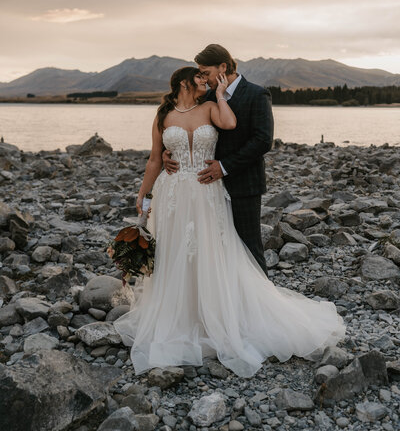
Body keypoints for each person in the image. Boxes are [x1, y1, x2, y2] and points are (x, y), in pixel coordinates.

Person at [113, 66, 346, 378]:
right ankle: (180, 316)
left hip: (207, 191)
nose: (205, 83)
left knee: (211, 249)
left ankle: (216, 316)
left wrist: (221, 95)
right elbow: (155, 159)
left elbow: (231, 123)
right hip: (173, 194)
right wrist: (143, 195)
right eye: (200, 79)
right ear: (184, 82)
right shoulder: (163, 113)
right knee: (174, 253)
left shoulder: (211, 106)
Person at [164, 44, 273, 276]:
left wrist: (224, 167)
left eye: (206, 72)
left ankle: (257, 304)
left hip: (243, 183)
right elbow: (190, 127)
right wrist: (170, 152)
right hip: (207, 188)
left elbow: (263, 140)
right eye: (200, 73)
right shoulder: (208, 96)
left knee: (248, 246)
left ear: (223, 67)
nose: (203, 78)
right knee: (213, 247)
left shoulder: (256, 94)